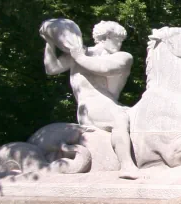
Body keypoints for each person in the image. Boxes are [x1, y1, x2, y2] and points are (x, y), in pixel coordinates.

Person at [43, 20, 139, 179]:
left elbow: (105, 68)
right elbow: (51, 69)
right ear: (106, 37)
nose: (120, 44)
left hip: (108, 103)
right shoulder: (82, 52)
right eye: (118, 39)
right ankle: (127, 165)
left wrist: (78, 55)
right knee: (119, 119)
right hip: (90, 106)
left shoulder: (121, 57)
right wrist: (50, 41)